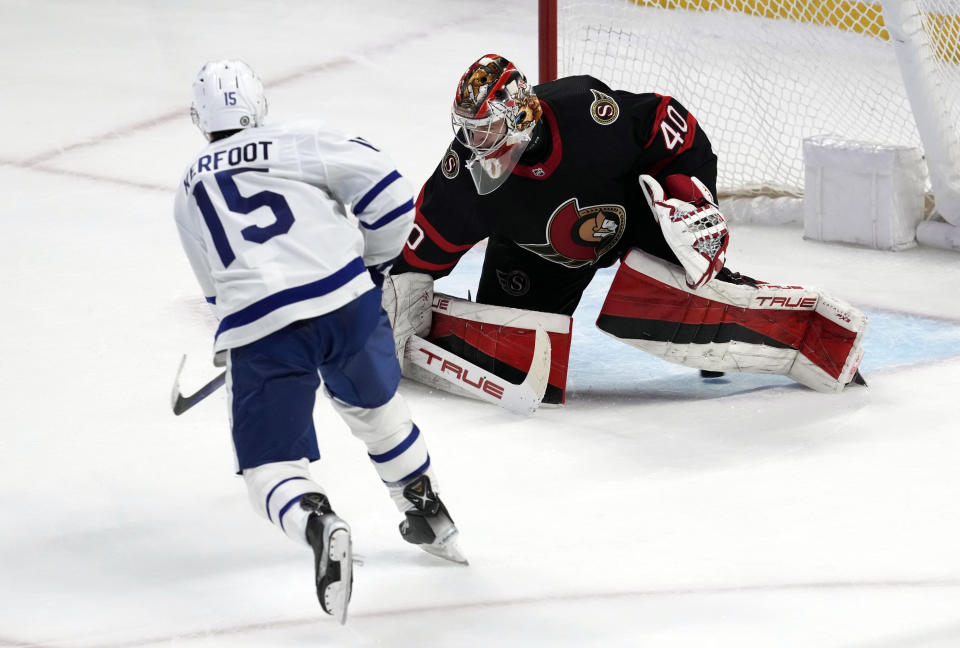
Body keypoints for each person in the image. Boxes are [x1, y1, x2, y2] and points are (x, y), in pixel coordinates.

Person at [172, 60, 465, 624]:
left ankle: (318, 520)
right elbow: (393, 198)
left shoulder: (188, 188)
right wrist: (372, 266)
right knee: (376, 410)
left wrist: (243, 347)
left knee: (269, 468)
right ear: (258, 106)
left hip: (261, 326)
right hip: (346, 302)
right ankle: (425, 510)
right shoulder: (298, 137)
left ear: (199, 120)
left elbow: (215, 295)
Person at [384, 54, 866, 395]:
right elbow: (422, 244)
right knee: (512, 353)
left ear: (519, 116)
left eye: (485, 128)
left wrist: (689, 193)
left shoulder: (586, 112)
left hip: (634, 217)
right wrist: (405, 286)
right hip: (537, 257)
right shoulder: (465, 174)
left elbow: (668, 123)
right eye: (467, 130)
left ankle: (761, 325)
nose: (476, 143)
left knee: (682, 284)